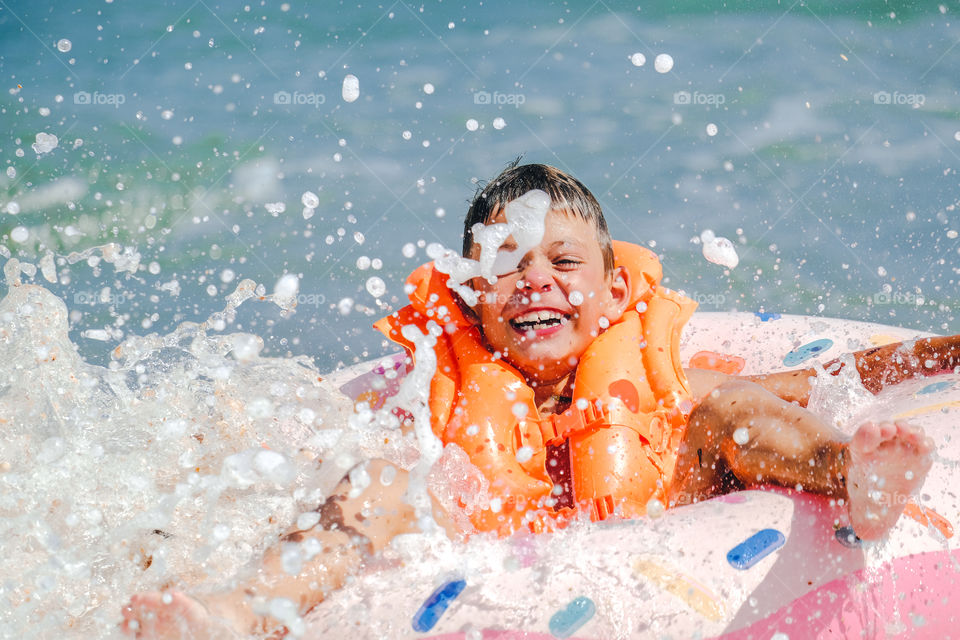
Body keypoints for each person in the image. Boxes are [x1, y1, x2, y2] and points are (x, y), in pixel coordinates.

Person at [121, 161, 956, 638]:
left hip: (661, 515)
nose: (535, 281)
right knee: (382, 481)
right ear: (470, 293)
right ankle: (244, 613)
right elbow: (308, 455)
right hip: (481, 541)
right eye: (507, 264)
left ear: (612, 291)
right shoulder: (435, 400)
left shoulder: (652, 382)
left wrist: (942, 353)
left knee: (733, 411)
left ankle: (855, 476)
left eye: (563, 262)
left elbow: (816, 382)